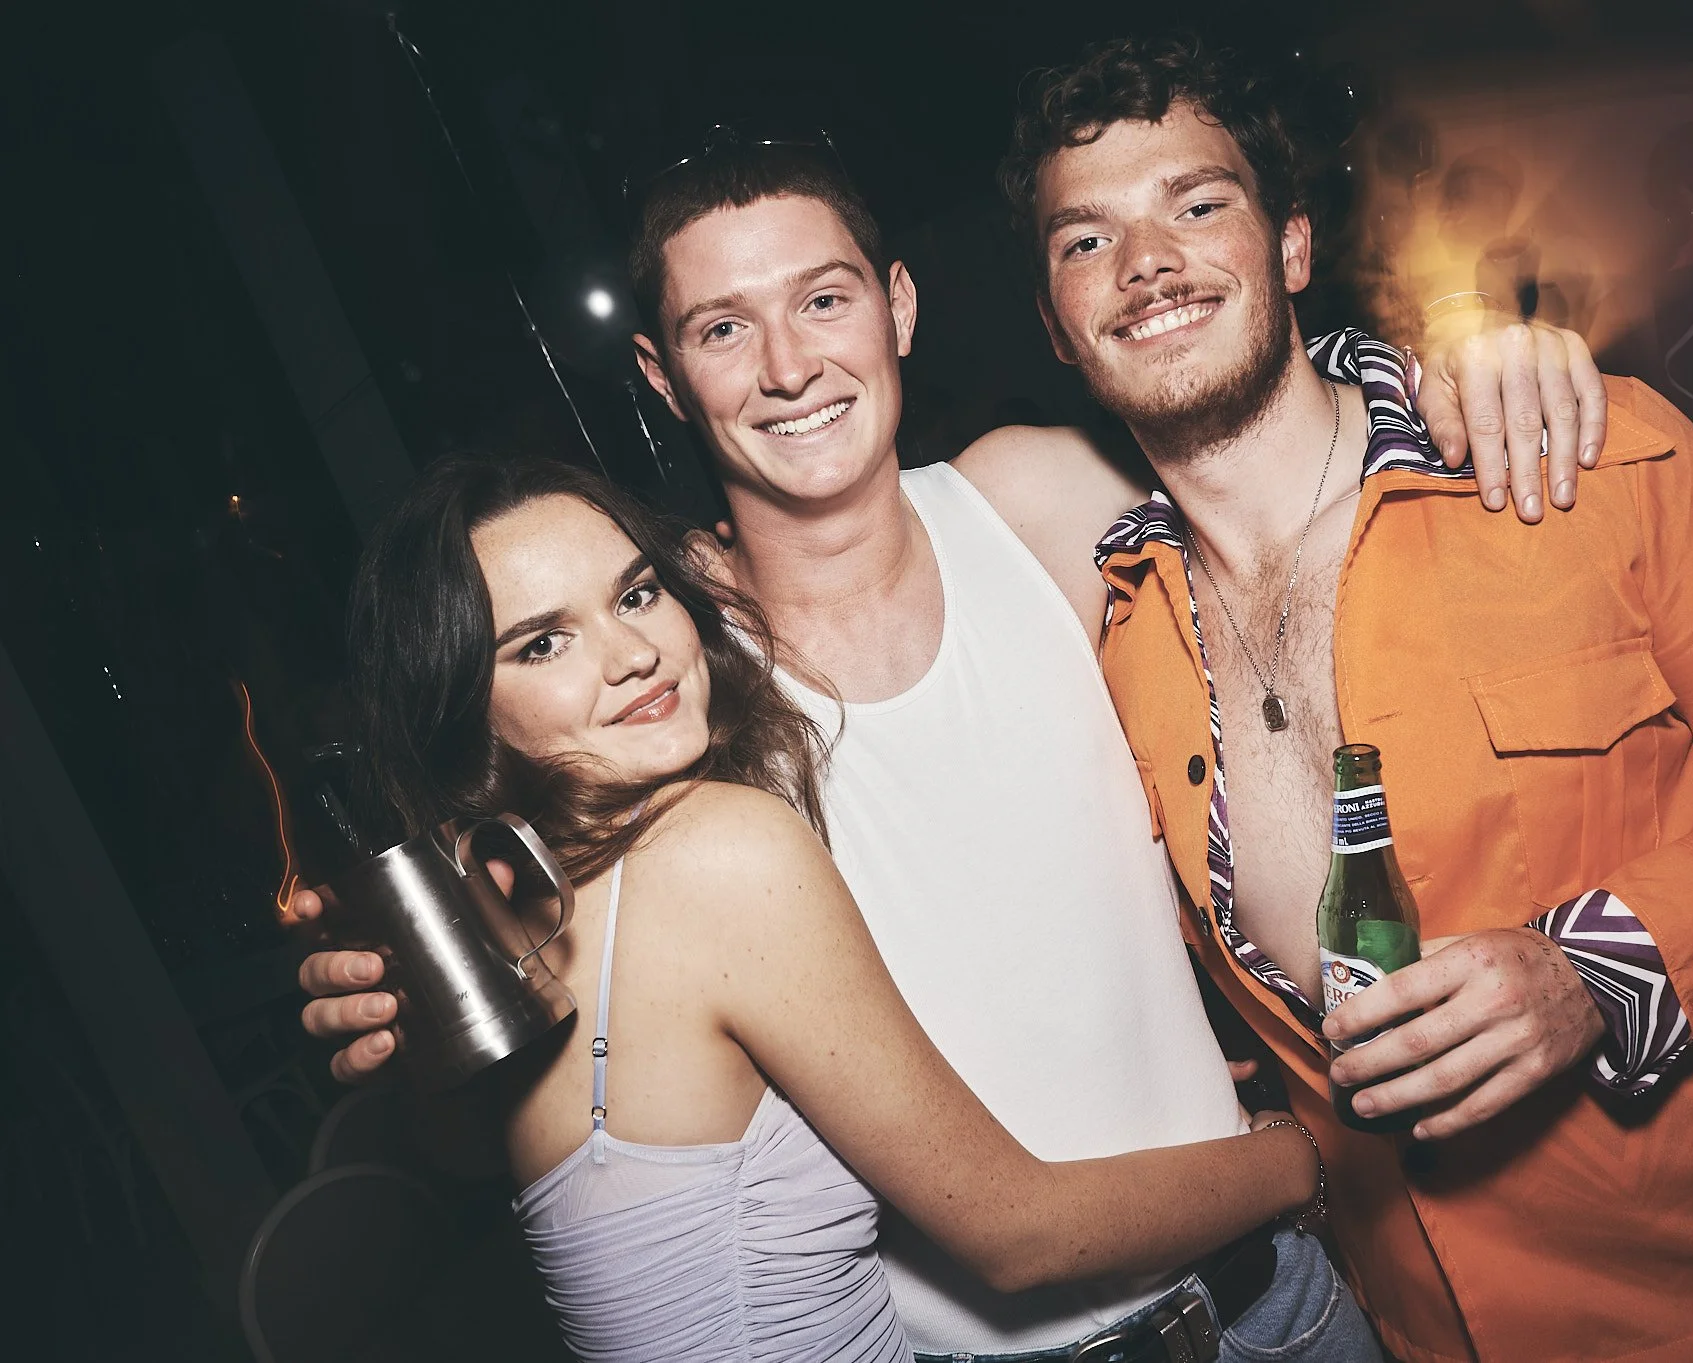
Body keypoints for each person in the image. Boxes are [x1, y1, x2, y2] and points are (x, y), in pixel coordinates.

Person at [292, 132, 1602, 1357]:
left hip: (1278, 1301)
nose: (788, 366)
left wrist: (1447, 366)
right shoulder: (660, 664)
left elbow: (1275, 456)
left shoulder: (1032, 500)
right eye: (722, 328)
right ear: (660, 375)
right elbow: (562, 1091)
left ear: (898, 306)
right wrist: (416, 1024)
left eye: (823, 299)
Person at [1002, 33, 1693, 1363]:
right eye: (1086, 238)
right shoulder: (1117, 641)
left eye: (1197, 203)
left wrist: (1594, 971)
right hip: (1420, 1330)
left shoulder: (1579, 457)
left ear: (1290, 245)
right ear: (1055, 323)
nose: (1147, 262)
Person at [341, 450, 1326, 1362]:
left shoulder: (525, 915)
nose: (631, 652)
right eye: (543, 643)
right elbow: (1019, 1233)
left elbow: (502, 1160)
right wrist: (1298, 1158)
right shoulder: (716, 847)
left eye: (636, 593)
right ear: (464, 710)